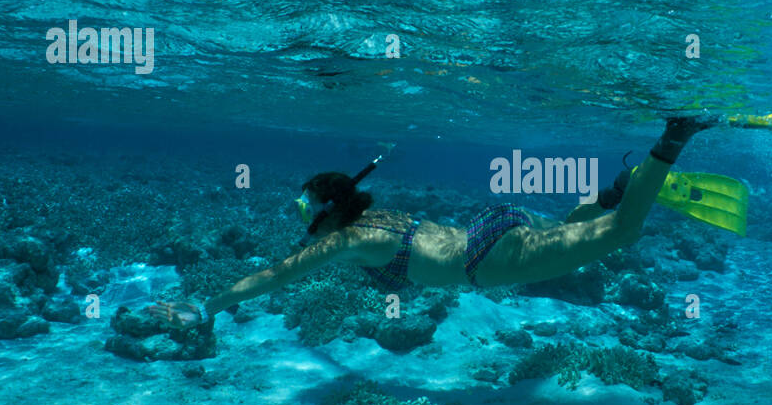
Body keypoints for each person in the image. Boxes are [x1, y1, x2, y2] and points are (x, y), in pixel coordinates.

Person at [149, 115, 717, 330]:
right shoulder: (377, 217)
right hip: (492, 229)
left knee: (622, 234)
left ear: (327, 210)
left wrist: (208, 307)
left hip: (483, 261)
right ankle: (622, 186)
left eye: (303, 207)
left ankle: (669, 143)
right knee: (569, 229)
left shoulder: (345, 242)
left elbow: (273, 277)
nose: (300, 218)